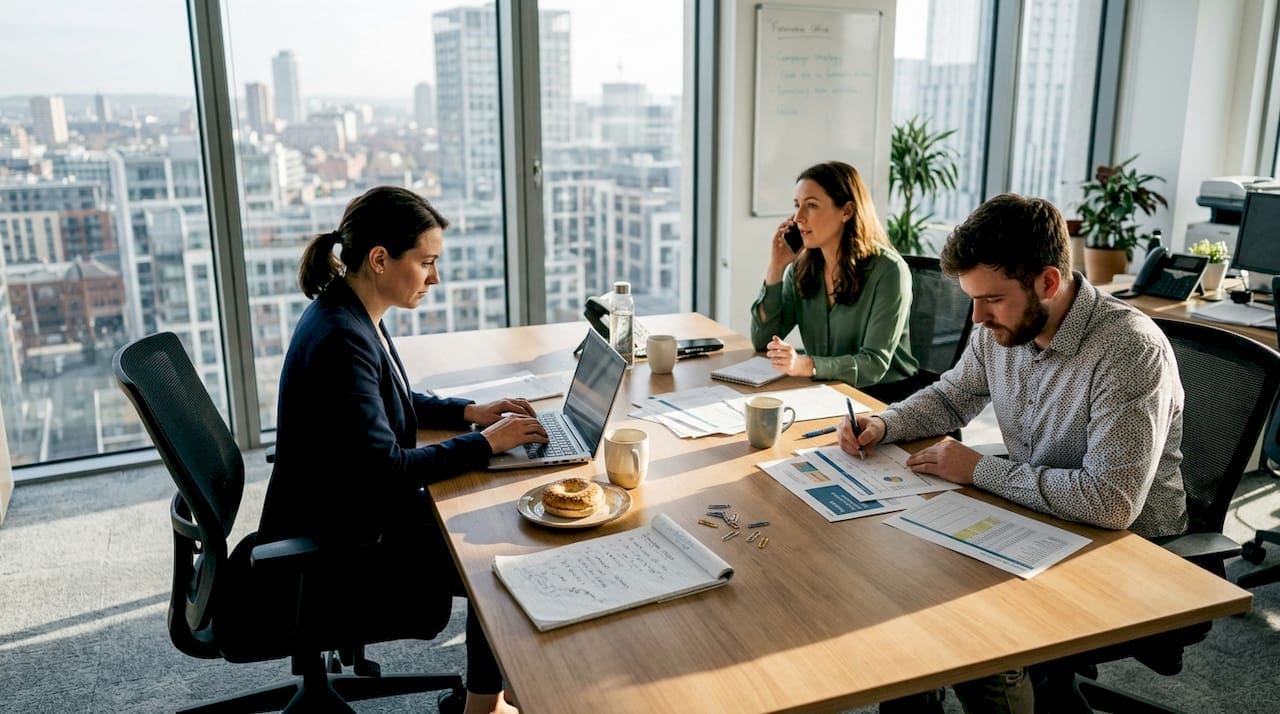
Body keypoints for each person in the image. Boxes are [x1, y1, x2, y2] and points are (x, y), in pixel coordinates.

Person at [837, 193, 1188, 714]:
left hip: (1124, 548)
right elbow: (951, 396)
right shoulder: (1002, 328)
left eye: (992, 300)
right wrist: (884, 423)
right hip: (1039, 517)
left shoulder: (1129, 350)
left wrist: (981, 470)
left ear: (1048, 282)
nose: (976, 317)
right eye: (973, 299)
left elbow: (1111, 503)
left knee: (970, 630)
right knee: (902, 579)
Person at [258, 186, 547, 714]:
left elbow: (389, 396)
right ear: (379, 259)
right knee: (495, 559)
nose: (435, 278)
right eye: (427, 262)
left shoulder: (348, 311)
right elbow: (386, 471)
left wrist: (468, 413)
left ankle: (486, 698)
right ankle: (484, 709)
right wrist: (485, 444)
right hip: (342, 541)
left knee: (489, 522)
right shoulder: (342, 338)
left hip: (337, 507)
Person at [749, 161, 918, 396]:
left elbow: (874, 365)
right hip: (826, 389)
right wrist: (776, 267)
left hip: (886, 397)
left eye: (812, 205)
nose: (798, 217)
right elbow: (762, 341)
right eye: (797, 205)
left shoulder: (889, 271)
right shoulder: (800, 269)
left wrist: (806, 364)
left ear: (846, 211)